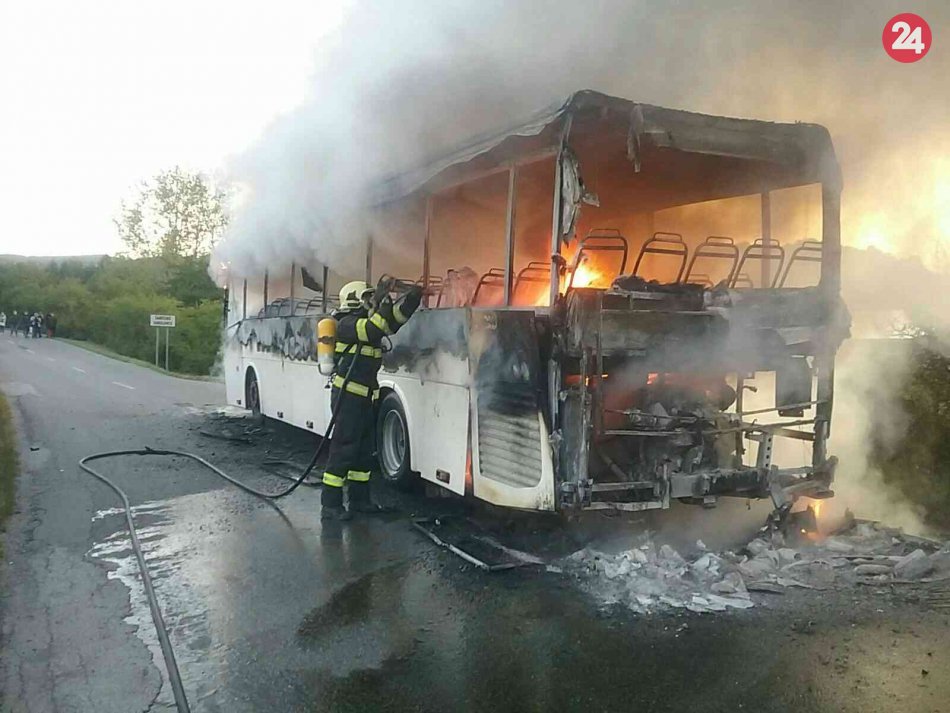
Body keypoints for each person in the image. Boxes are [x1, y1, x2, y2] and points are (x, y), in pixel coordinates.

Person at [321, 280, 423, 520]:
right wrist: (382, 300)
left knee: (364, 451)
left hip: (366, 396)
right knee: (344, 449)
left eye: (371, 297)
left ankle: (359, 501)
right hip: (347, 396)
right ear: (354, 300)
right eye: (366, 297)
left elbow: (393, 322)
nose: (370, 301)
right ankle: (330, 505)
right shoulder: (346, 324)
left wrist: (412, 299)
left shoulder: (367, 319)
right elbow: (372, 330)